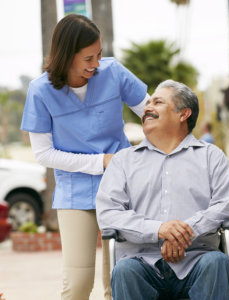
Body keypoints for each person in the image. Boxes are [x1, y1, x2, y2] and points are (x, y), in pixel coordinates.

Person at [21, 14, 149, 300]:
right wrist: (99, 161)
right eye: (88, 58)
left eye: (99, 54)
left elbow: (151, 114)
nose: (96, 64)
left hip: (121, 187)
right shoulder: (40, 91)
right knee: (78, 283)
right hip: (74, 193)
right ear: (66, 56)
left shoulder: (113, 72)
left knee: (118, 280)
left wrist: (152, 154)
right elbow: (43, 153)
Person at [96, 80, 229, 300]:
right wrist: (159, 229)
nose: (147, 107)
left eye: (158, 102)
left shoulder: (211, 157)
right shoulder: (123, 162)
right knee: (125, 271)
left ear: (183, 114)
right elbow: (108, 214)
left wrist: (184, 233)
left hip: (198, 260)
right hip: (141, 264)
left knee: (218, 263)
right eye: (148, 103)